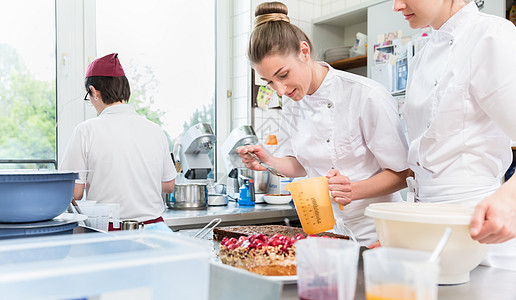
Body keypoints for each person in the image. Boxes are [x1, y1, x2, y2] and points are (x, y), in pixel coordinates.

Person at [237, 2, 411, 246]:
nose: (281, 90)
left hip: (378, 235)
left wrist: (353, 189)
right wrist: (269, 160)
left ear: (304, 52)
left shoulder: (366, 95)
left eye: (284, 75)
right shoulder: (292, 103)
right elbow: (300, 165)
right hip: (326, 235)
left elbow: (404, 174)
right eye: (269, 82)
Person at [394, 0, 516, 269]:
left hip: (482, 228)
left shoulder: (491, 36)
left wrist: (511, 198)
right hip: (427, 229)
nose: (396, 5)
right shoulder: (420, 57)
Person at [60, 53, 176, 230]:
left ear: (94, 91)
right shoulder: (155, 130)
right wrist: (135, 181)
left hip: (110, 231)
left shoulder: (86, 131)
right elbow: (169, 185)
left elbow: (74, 192)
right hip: (155, 231)